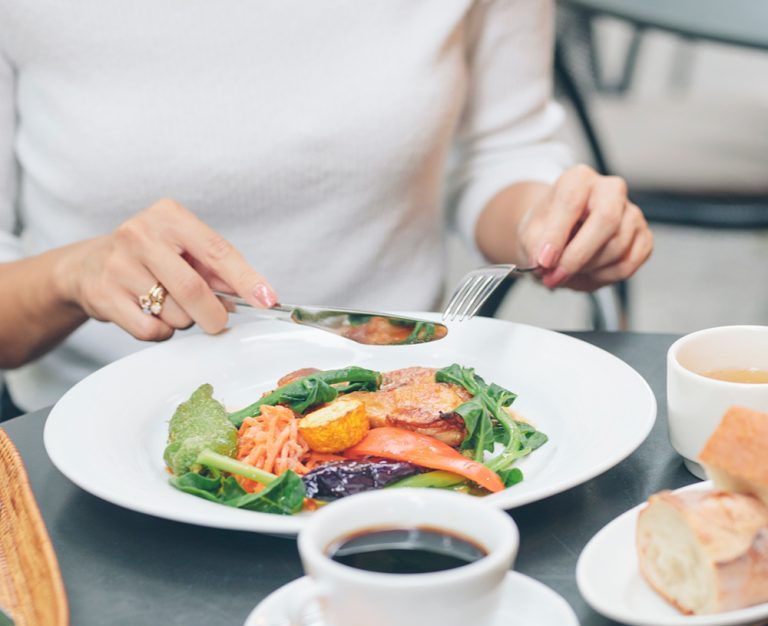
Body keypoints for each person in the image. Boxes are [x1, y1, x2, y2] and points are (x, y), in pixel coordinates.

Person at [0, 0, 652, 416]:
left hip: (398, 403)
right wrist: (71, 275)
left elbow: (500, 151)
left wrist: (550, 221)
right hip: (84, 432)